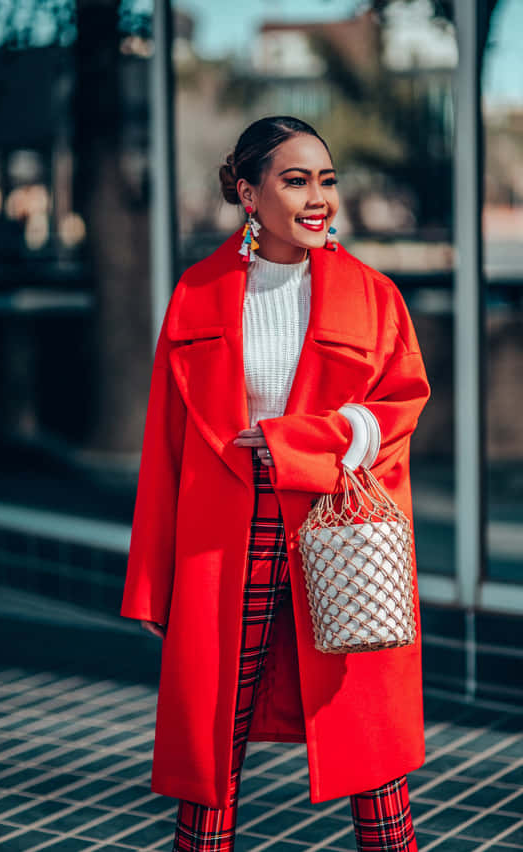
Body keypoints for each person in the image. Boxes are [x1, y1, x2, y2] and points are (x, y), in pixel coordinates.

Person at [120, 115, 431, 852]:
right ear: (248, 193)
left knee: (369, 744)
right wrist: (153, 579)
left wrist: (304, 440)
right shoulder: (196, 294)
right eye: (295, 180)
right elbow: (165, 446)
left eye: (326, 179)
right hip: (222, 537)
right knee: (212, 743)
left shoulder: (373, 295)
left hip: (337, 527)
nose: (318, 198)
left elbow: (401, 408)